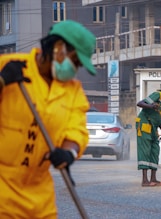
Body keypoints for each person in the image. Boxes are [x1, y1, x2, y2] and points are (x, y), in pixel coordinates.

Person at [0, 20, 96, 218]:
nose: (75, 69)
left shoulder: (74, 91)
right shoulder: (9, 66)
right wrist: (2, 81)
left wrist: (69, 153)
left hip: (39, 198)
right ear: (58, 47)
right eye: (75, 61)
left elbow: (77, 130)